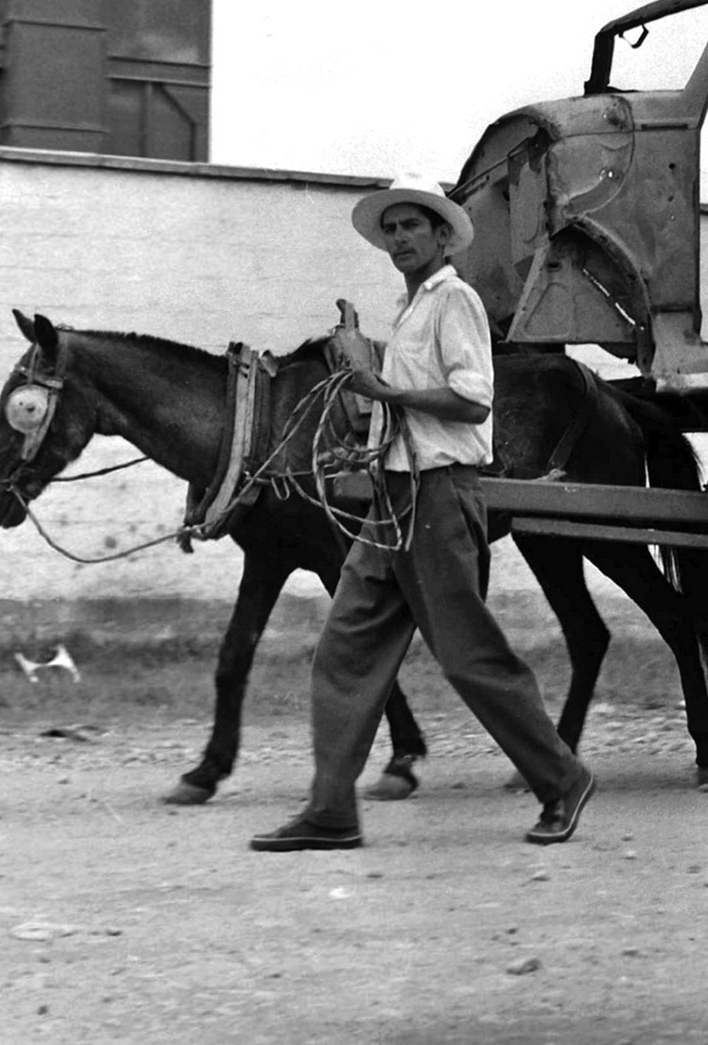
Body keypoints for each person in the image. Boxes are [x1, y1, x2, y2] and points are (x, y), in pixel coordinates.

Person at [250, 176, 595, 851]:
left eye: (414, 226)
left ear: (443, 236)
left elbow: (473, 400)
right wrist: (361, 391)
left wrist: (379, 383)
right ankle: (332, 811)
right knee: (343, 649)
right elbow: (398, 401)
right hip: (393, 498)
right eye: (393, 229)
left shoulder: (455, 300)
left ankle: (562, 778)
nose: (401, 238)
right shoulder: (408, 311)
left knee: (467, 657)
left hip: (439, 496)